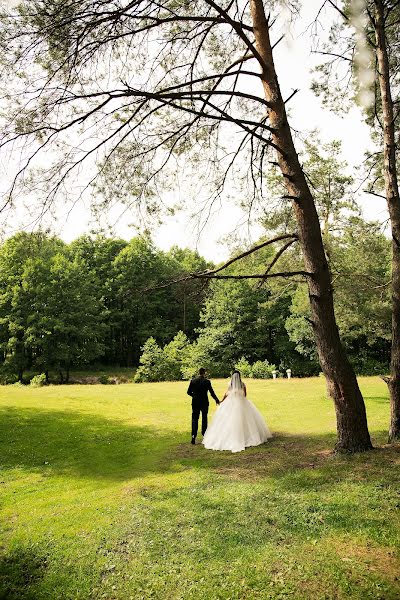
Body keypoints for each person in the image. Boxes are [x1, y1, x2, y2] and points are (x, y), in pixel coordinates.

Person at [202, 370, 272, 453]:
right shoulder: (242, 384)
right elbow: (245, 395)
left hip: (230, 402)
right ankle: (246, 437)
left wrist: (222, 401)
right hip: (241, 402)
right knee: (246, 420)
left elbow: (226, 393)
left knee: (227, 420)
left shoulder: (229, 384)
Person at [187, 368, 220, 445]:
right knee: (204, 418)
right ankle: (204, 435)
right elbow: (212, 392)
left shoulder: (193, 381)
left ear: (199, 372)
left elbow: (188, 392)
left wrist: (194, 396)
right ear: (204, 373)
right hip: (204, 402)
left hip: (195, 402)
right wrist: (216, 400)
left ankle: (193, 436)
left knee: (195, 419)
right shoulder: (207, 381)